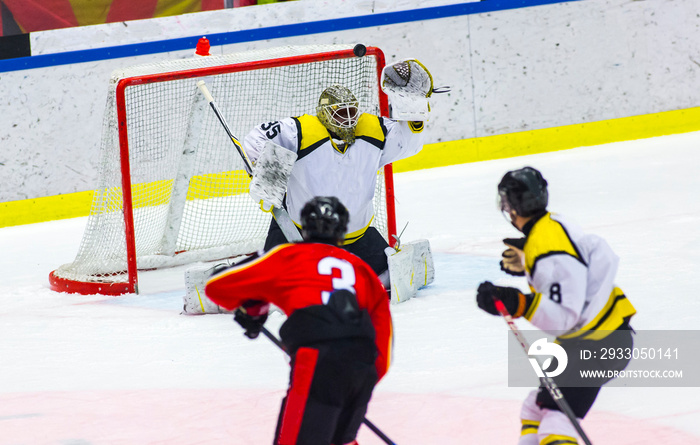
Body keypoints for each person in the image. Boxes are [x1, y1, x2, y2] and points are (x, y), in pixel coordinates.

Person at [205, 196, 392, 445]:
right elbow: (383, 346)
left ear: (303, 225)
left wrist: (255, 310)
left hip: (318, 362)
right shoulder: (363, 270)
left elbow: (216, 286)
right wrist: (352, 378)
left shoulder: (289, 255)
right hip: (362, 368)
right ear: (343, 231)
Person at [475, 166, 637, 445]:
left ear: (511, 206)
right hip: (593, 339)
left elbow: (564, 316)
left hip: (600, 344)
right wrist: (528, 259)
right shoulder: (552, 224)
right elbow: (579, 258)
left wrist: (518, 302)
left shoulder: (546, 249)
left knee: (556, 421)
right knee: (535, 409)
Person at [242, 76, 430, 286]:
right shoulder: (299, 130)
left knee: (388, 279)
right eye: (341, 113)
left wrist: (413, 105)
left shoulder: (372, 129)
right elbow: (255, 139)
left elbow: (408, 144)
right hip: (298, 234)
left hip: (358, 236)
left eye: (352, 112)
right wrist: (266, 173)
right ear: (324, 114)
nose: (348, 120)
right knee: (267, 286)